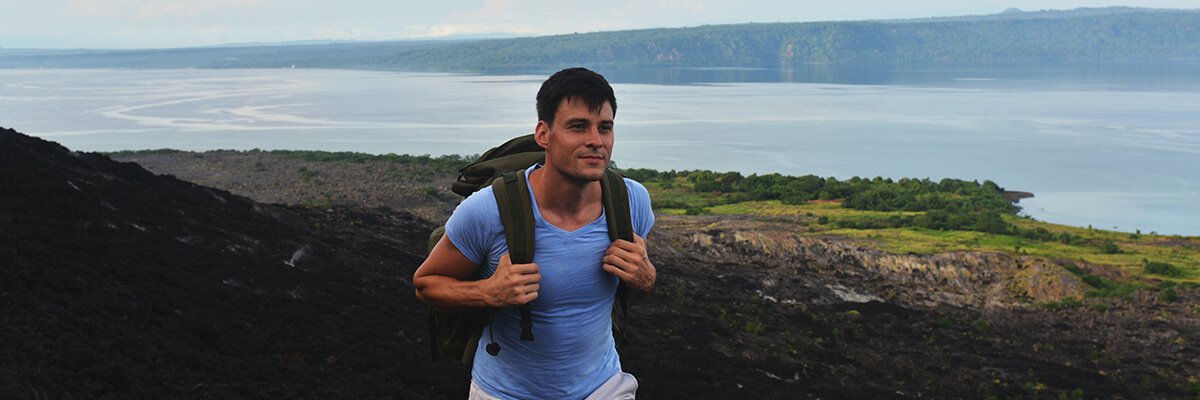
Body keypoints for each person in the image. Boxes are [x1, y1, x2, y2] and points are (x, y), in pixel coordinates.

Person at [413, 67, 656, 400]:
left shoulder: (631, 202)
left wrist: (646, 279)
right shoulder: (488, 211)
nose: (596, 141)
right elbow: (426, 285)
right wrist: (488, 292)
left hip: (603, 387)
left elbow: (628, 292)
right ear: (544, 134)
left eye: (605, 127)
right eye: (578, 126)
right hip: (505, 392)